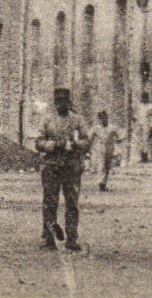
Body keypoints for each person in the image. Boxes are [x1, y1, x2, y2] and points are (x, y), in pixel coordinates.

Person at [34, 87, 89, 252]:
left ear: (69, 101)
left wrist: (74, 145)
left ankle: (72, 238)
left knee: (72, 203)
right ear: (55, 102)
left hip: (71, 167)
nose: (61, 104)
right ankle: (48, 238)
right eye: (58, 101)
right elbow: (38, 142)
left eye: (64, 101)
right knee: (49, 203)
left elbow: (86, 141)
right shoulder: (47, 120)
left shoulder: (77, 120)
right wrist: (53, 145)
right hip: (51, 167)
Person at [88, 111, 120, 191]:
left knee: (107, 166)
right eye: (101, 118)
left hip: (109, 148)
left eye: (104, 118)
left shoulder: (112, 128)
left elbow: (119, 136)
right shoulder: (96, 128)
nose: (103, 120)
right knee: (101, 165)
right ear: (99, 119)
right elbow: (89, 137)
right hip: (99, 148)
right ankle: (101, 183)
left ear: (107, 118)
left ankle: (104, 182)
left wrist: (117, 140)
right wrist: (89, 146)